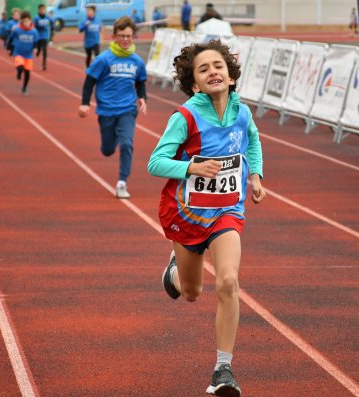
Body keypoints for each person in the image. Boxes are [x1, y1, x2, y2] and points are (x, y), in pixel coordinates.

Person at [147, 39, 265, 397]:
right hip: (185, 213)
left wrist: (255, 174)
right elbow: (155, 163)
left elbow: (253, 140)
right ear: (194, 84)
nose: (213, 71)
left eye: (219, 66)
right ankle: (175, 271)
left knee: (228, 281)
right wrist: (192, 166)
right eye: (203, 68)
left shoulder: (241, 112)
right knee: (193, 292)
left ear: (230, 77)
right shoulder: (185, 117)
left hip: (227, 211)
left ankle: (222, 369)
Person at [78, 16, 147, 199]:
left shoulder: (137, 61)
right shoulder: (103, 59)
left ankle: (122, 183)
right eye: (122, 36)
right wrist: (85, 103)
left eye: (129, 36)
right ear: (114, 36)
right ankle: (113, 138)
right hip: (106, 111)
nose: (125, 39)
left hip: (127, 110)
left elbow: (140, 82)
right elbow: (89, 81)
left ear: (133, 37)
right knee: (107, 150)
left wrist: (142, 98)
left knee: (127, 144)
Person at [7, 11, 39, 95]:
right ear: (21, 21)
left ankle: (24, 87)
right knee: (20, 67)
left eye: (28, 21)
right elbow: (11, 38)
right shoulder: (17, 29)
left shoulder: (34, 31)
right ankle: (19, 72)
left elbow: (36, 42)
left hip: (28, 55)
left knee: (27, 73)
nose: (26, 23)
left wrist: (36, 48)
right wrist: (9, 47)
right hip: (19, 53)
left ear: (30, 21)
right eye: (24, 21)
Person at [34, 4, 53, 70]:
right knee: (38, 50)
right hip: (38, 36)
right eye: (41, 9)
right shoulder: (36, 18)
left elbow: (52, 23)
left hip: (44, 36)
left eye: (43, 9)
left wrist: (51, 38)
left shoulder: (48, 17)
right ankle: (38, 51)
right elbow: (33, 27)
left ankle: (44, 65)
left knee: (44, 49)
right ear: (38, 10)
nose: (42, 11)